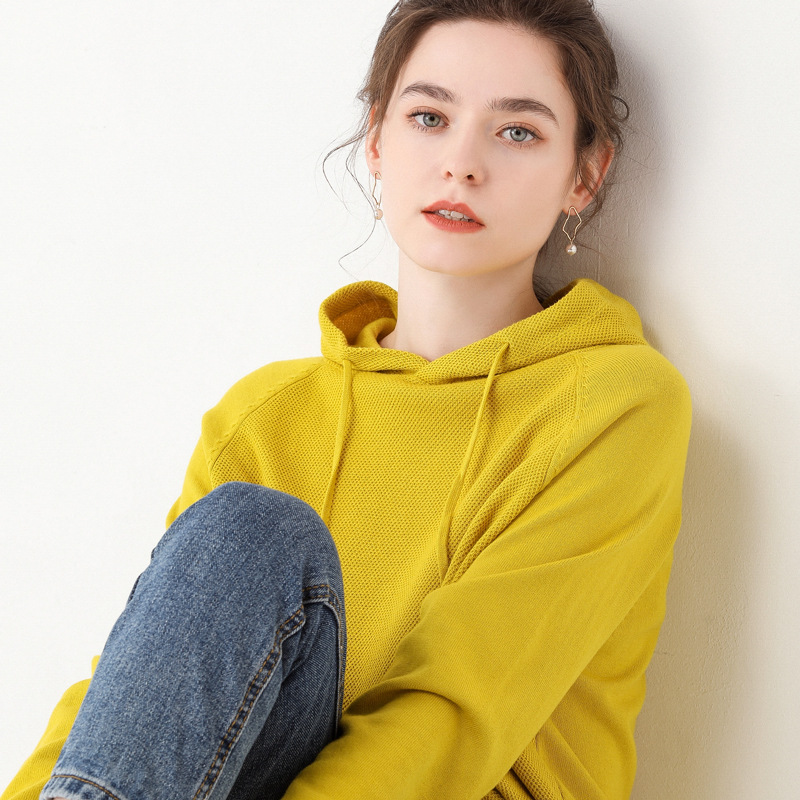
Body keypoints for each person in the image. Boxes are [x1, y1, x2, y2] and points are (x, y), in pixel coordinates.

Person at [3, 1, 691, 799]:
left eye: (516, 132)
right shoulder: (266, 414)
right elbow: (130, 699)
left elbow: (455, 712)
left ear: (585, 174)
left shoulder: (614, 404)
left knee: (250, 529)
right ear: (376, 139)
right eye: (429, 117)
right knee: (243, 535)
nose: (462, 164)